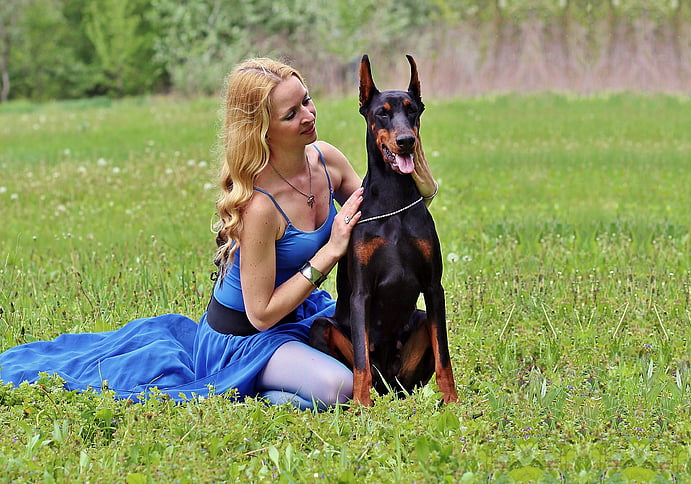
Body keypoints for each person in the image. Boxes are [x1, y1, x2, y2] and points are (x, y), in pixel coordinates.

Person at [0, 58, 439, 410]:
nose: (309, 116)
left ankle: (289, 373)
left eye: (306, 101)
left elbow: (386, 216)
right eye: (292, 113)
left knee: (374, 372)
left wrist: (424, 184)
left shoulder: (325, 159)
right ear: (262, 130)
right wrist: (329, 253)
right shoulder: (260, 207)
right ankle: (248, 393)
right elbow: (262, 314)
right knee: (341, 389)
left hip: (303, 316)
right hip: (243, 336)